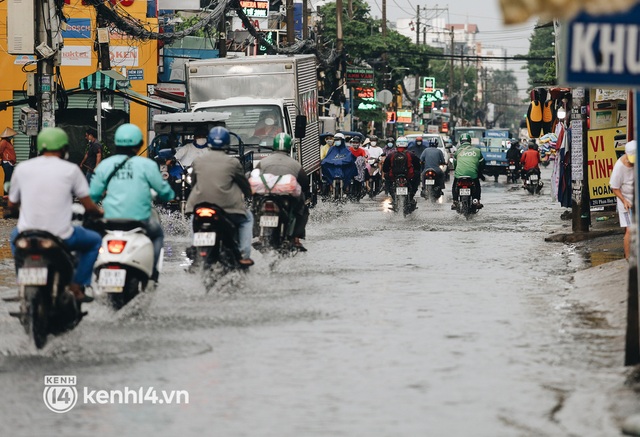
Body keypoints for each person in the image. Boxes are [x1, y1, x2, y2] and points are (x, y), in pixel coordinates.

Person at [8, 127, 103, 302]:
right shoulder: (71, 170)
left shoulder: (22, 168)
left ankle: (22, 281)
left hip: (27, 234)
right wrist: (99, 213)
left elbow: (12, 204)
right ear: (64, 148)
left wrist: (14, 211)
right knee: (95, 241)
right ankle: (77, 285)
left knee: (13, 238)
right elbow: (89, 206)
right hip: (61, 236)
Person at [89, 124, 175, 282]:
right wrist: (169, 195)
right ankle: (153, 275)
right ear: (140, 144)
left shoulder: (105, 166)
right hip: (140, 221)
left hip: (109, 221)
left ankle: (90, 274)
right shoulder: (146, 165)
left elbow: (92, 195)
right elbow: (166, 192)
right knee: (157, 235)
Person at [186, 126, 254, 266]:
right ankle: (243, 254)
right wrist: (249, 194)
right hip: (227, 208)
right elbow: (243, 184)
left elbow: (193, 183)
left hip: (199, 205)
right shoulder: (233, 162)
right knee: (247, 219)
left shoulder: (198, 160)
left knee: (194, 218)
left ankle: (195, 247)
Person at [255, 133, 310, 251]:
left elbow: (254, 178)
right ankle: (296, 238)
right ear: (289, 146)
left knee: (254, 208)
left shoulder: (263, 162)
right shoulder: (295, 164)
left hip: (266, 195)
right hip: (285, 197)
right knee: (302, 210)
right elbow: (304, 183)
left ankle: (259, 236)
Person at [610, 140, 636, 259]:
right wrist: (624, 201)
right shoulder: (619, 166)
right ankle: (628, 258)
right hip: (625, 201)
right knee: (629, 230)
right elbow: (614, 188)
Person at [452, 133, 485, 209]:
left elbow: (455, 165)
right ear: (470, 141)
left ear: (460, 142)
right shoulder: (477, 151)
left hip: (459, 174)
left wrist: (457, 171)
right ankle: (477, 201)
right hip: (473, 175)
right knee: (477, 185)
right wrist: (480, 173)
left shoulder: (457, 152)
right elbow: (482, 164)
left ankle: (455, 201)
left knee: (455, 185)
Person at [382, 136, 419, 204]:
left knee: (387, 180)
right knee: (417, 176)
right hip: (408, 176)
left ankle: (393, 198)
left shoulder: (391, 155)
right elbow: (418, 167)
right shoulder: (411, 154)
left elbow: (385, 169)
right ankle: (411, 197)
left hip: (393, 176)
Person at [0, 127, 17, 191]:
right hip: (7, 162)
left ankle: (7, 194)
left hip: (10, 162)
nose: (12, 136)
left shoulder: (8, 141)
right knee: (8, 179)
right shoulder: (4, 142)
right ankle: (6, 194)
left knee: (9, 179)